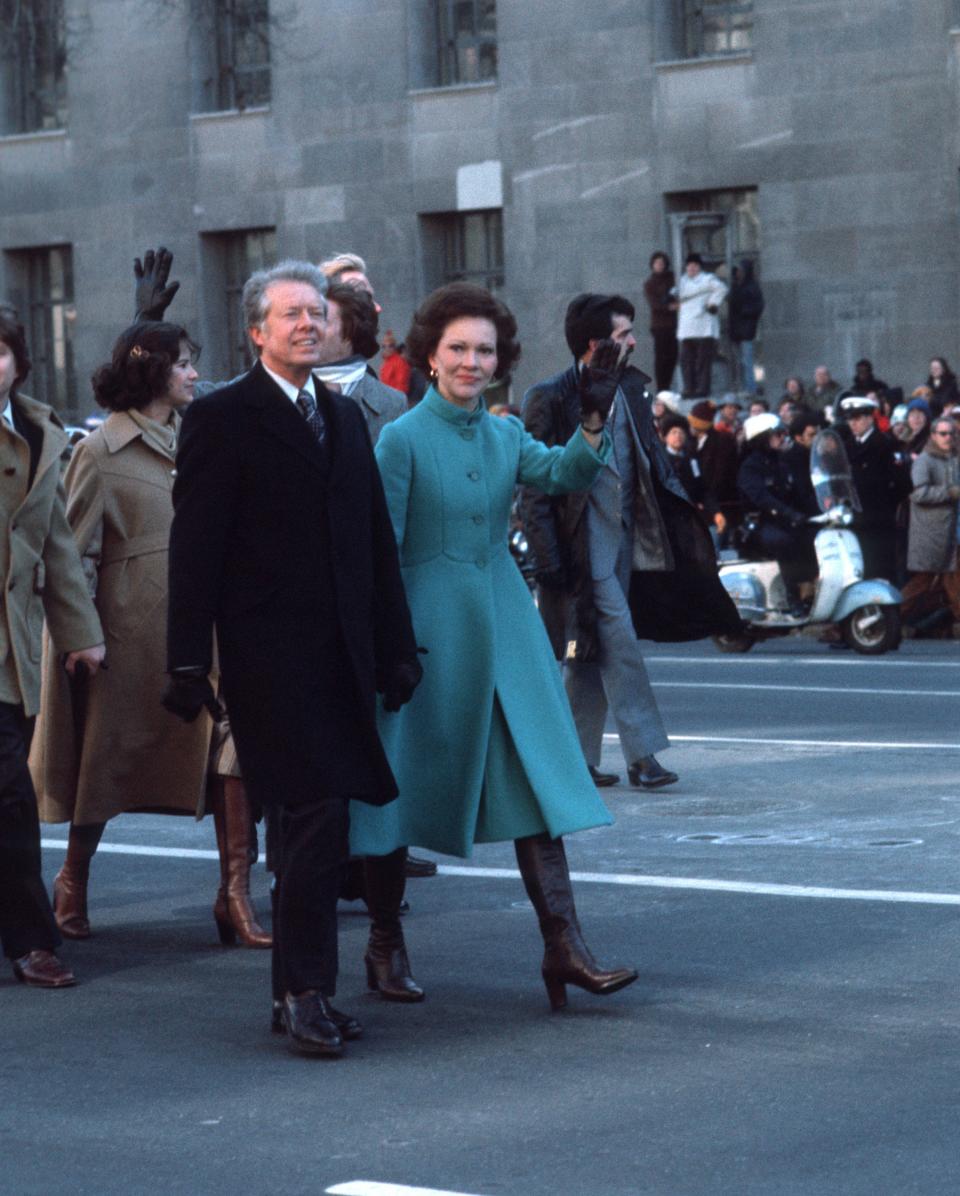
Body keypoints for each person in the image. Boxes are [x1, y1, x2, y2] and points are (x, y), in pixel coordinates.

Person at [350, 281, 639, 1013]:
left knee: (538, 785)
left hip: (505, 631)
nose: (472, 362)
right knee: (398, 794)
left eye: (484, 350)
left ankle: (564, 947)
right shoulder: (401, 439)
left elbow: (567, 472)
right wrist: (386, 646)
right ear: (430, 356)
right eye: (458, 349)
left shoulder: (507, 433)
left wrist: (595, 417)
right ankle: (384, 940)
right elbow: (375, 551)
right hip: (424, 637)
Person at [164, 261, 421, 1056]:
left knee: (323, 825)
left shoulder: (344, 420)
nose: (309, 324)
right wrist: (184, 662)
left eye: (319, 313)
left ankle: (295, 994)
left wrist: (396, 646)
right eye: (291, 315)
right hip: (269, 659)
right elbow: (195, 549)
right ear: (257, 332)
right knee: (312, 821)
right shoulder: (222, 417)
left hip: (342, 656)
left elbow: (373, 542)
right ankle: (308, 993)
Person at [26, 322, 269, 946]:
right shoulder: (100, 450)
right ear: (154, 371)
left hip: (211, 624)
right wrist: (79, 636)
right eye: (183, 364)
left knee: (230, 756)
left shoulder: (204, 434)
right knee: (108, 762)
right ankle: (72, 881)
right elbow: (72, 550)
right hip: (131, 633)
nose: (194, 374)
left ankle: (234, 895)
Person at [521, 293, 740, 794]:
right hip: (580, 548)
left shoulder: (632, 390)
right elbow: (534, 487)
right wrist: (549, 558)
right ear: (596, 344)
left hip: (629, 542)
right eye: (624, 335)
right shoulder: (549, 396)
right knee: (620, 643)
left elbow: (649, 464)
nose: (635, 341)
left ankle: (574, 760)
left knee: (586, 652)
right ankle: (644, 756)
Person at [0, 311, 106, 988]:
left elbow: (56, 547)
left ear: (18, 360)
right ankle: (32, 939)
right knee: (9, 790)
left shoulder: (42, 432)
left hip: (10, 650)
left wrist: (82, 633)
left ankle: (30, 940)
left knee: (10, 794)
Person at [737, 413, 818, 614]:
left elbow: (798, 494)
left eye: (783, 433)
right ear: (762, 438)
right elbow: (762, 499)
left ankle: (810, 591)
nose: (783, 438)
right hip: (758, 525)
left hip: (783, 521)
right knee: (784, 541)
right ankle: (792, 597)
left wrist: (822, 511)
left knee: (814, 536)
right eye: (778, 434)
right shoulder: (750, 467)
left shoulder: (781, 463)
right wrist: (789, 513)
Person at [835, 394, 912, 583]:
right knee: (860, 568)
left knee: (881, 570)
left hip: (879, 518)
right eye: (850, 419)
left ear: (870, 418)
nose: (853, 423)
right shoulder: (847, 446)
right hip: (855, 516)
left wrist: (885, 506)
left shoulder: (885, 444)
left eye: (858, 418)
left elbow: (903, 485)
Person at [900, 417, 960, 632]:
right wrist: (948, 493)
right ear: (933, 436)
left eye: (952, 433)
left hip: (952, 530)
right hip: (932, 531)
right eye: (943, 434)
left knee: (952, 578)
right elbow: (919, 493)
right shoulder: (925, 460)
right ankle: (890, 615)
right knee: (924, 579)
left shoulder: (955, 458)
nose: (948, 438)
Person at [675, 252, 728, 398]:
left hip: (704, 327)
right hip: (686, 328)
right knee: (686, 361)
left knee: (703, 361)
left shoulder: (707, 279)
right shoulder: (682, 281)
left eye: (694, 265)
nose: (691, 268)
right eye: (689, 265)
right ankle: (688, 388)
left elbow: (722, 289)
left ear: (699, 267)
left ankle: (702, 389)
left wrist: (712, 303)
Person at [688, 399, 741, 539]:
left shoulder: (722, 440)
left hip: (719, 500)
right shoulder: (691, 442)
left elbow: (721, 473)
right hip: (701, 498)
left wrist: (708, 499)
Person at [642, 250, 678, 392]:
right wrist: (669, 306)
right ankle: (662, 388)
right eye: (657, 263)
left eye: (662, 263)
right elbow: (654, 304)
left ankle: (668, 385)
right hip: (659, 326)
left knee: (673, 356)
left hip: (674, 325)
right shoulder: (650, 283)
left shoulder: (672, 279)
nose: (660, 266)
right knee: (661, 358)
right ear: (653, 265)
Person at [727, 259, 764, 395]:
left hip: (746, 329)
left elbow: (757, 307)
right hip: (736, 329)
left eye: (740, 271)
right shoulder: (737, 286)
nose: (738, 273)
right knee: (739, 361)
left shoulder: (752, 287)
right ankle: (742, 386)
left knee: (747, 361)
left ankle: (750, 388)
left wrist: (744, 312)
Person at [379, 329, 412, 396]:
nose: (387, 348)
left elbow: (401, 386)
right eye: (384, 346)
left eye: (390, 346)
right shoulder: (386, 363)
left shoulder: (400, 362)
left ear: (394, 347)